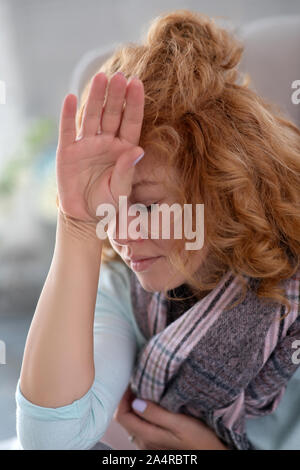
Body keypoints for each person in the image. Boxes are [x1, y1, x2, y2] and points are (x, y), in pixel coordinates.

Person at [16, 9, 300, 450]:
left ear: (226, 190)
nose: (122, 236)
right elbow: (49, 439)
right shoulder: (122, 284)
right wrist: (78, 225)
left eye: (147, 207)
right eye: (112, 209)